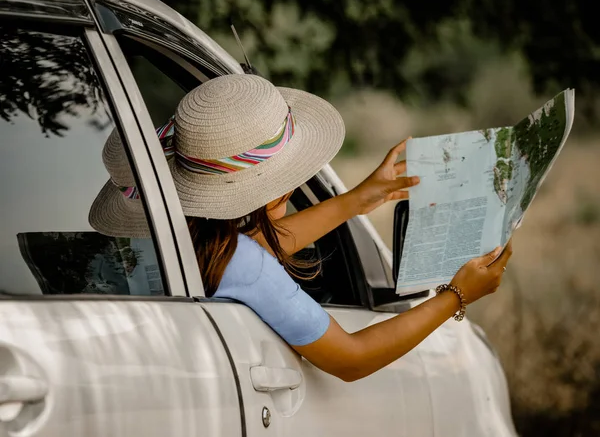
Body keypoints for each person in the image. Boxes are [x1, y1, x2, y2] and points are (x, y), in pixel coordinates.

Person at [90, 74, 513, 382]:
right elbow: (352, 358)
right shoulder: (245, 266)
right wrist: (456, 295)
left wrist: (357, 199)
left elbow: (253, 247)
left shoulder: (183, 243)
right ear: (268, 189)